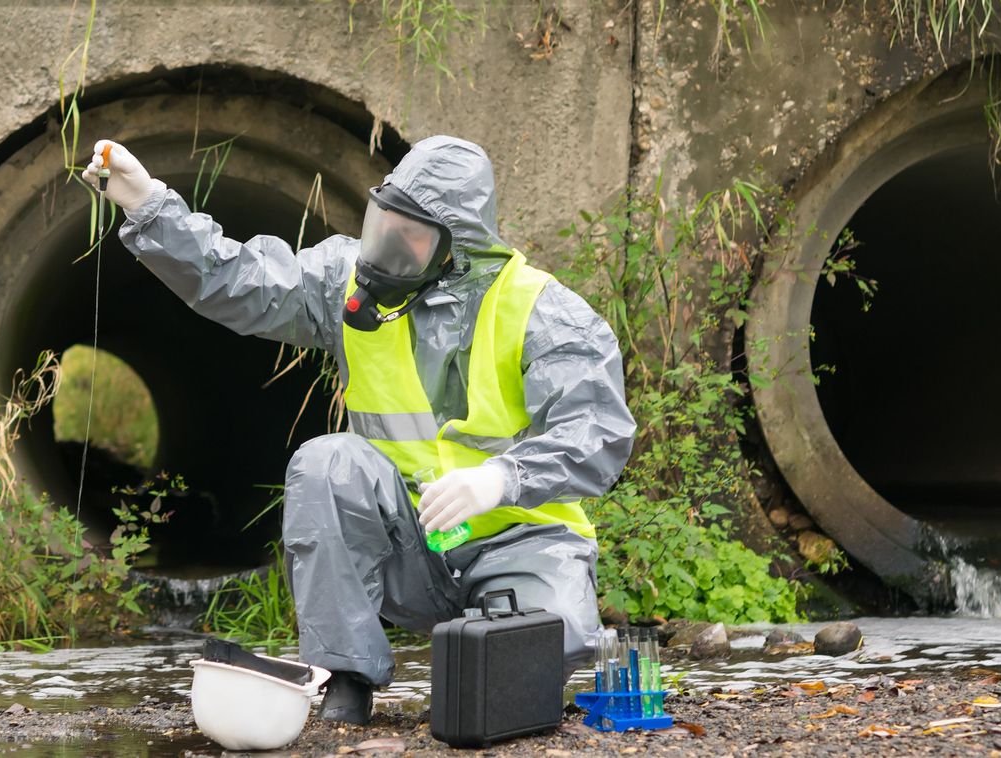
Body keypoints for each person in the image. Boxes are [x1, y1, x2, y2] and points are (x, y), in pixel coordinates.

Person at [84, 135, 635, 725]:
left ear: (458, 247)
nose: (386, 248)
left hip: (520, 542)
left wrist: (504, 477)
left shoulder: (544, 312)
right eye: (382, 225)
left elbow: (598, 432)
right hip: (412, 547)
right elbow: (239, 278)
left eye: (409, 236)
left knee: (524, 679)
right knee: (327, 462)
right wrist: (147, 205)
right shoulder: (345, 280)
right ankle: (346, 679)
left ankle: (499, 652)